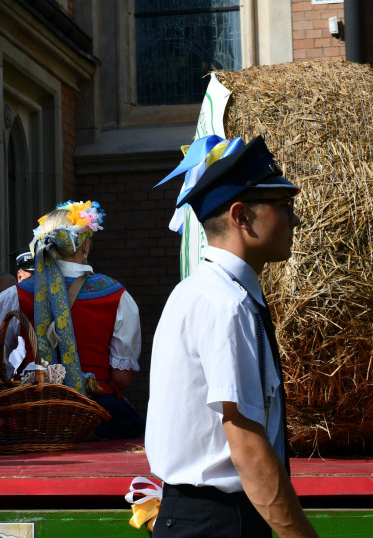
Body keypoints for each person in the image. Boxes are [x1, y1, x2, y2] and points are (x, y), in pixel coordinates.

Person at [146, 136, 318, 538]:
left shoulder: (198, 290)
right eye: (284, 206)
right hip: (218, 523)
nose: (295, 220)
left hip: (203, 518)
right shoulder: (227, 304)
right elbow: (248, 450)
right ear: (241, 216)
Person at [0, 200, 144, 439]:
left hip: (35, 412)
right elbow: (122, 377)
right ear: (84, 245)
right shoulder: (117, 295)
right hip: (97, 413)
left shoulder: (14, 295)